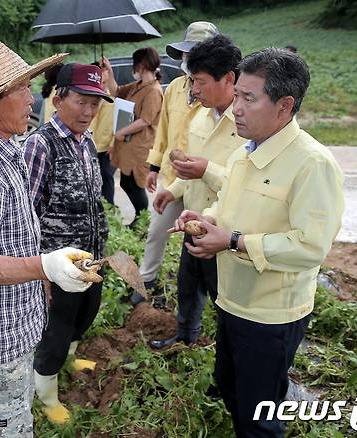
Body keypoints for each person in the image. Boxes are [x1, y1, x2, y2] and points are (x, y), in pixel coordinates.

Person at [170, 48, 344, 436]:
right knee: (232, 389)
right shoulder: (244, 152)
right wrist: (206, 219)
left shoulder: (312, 164)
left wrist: (231, 241)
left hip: (270, 317)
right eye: (237, 97)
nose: (237, 109)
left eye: (249, 98)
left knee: (260, 417)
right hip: (233, 302)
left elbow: (311, 246)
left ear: (284, 106)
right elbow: (225, 201)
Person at [0, 37, 100, 437]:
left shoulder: (3, 147)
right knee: (2, 426)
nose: (32, 99)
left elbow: (13, 234)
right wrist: (43, 264)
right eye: (23, 88)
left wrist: (38, 276)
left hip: (13, 319)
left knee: (13, 414)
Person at [23, 63, 113, 425]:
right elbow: (25, 216)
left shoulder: (86, 141)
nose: (89, 112)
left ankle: (71, 359)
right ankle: (46, 395)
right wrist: (38, 269)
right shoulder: (40, 145)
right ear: (58, 100)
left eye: (95, 104)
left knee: (85, 315)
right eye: (81, 102)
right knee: (55, 333)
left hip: (89, 262)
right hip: (57, 268)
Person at [149, 34, 245, 349]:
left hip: (226, 228)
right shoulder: (200, 118)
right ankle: (185, 338)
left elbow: (247, 184)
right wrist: (174, 189)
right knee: (189, 285)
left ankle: (228, 356)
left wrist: (207, 170)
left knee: (225, 297)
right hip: (194, 219)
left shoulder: (248, 123)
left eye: (200, 82)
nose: (194, 90)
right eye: (192, 81)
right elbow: (192, 168)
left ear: (229, 79)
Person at [132, 21, 219, 305]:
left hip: (206, 185)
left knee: (199, 242)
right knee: (156, 231)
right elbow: (164, 132)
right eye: (188, 54)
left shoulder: (221, 95)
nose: (190, 61)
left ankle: (203, 300)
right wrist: (154, 167)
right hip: (172, 178)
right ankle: (146, 280)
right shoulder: (175, 89)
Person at [102, 47, 164, 222]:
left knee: (135, 184)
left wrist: (122, 131)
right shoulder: (138, 86)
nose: (133, 68)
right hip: (128, 146)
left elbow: (146, 120)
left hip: (140, 147)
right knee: (125, 182)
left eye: (135, 64)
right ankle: (140, 220)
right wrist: (110, 73)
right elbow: (116, 92)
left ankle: (142, 221)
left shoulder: (154, 90)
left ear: (142, 65)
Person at [89, 61, 116, 203]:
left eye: (105, 81)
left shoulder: (114, 97)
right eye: (100, 81)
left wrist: (114, 142)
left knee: (106, 177)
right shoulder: (89, 98)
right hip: (91, 144)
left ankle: (109, 210)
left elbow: (123, 122)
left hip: (107, 147)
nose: (102, 85)